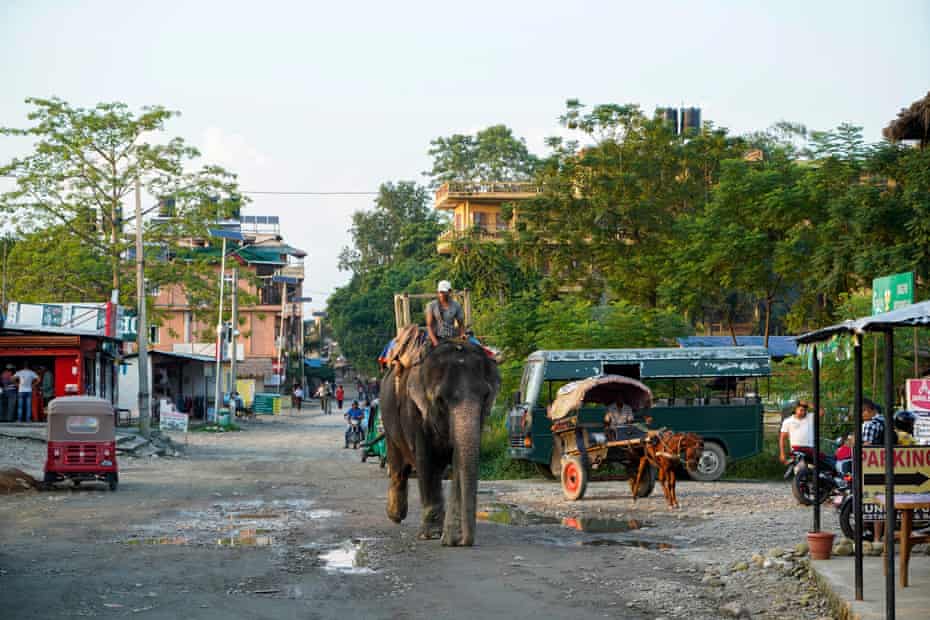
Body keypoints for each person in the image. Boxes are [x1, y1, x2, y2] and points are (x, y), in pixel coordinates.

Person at [425, 280, 465, 347]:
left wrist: (462, 334)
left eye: (444, 292)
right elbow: (429, 326)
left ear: (449, 292)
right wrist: (435, 342)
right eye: (440, 292)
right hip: (436, 337)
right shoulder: (431, 305)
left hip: (451, 337)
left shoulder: (456, 305)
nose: (442, 294)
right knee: (424, 353)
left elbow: (461, 324)